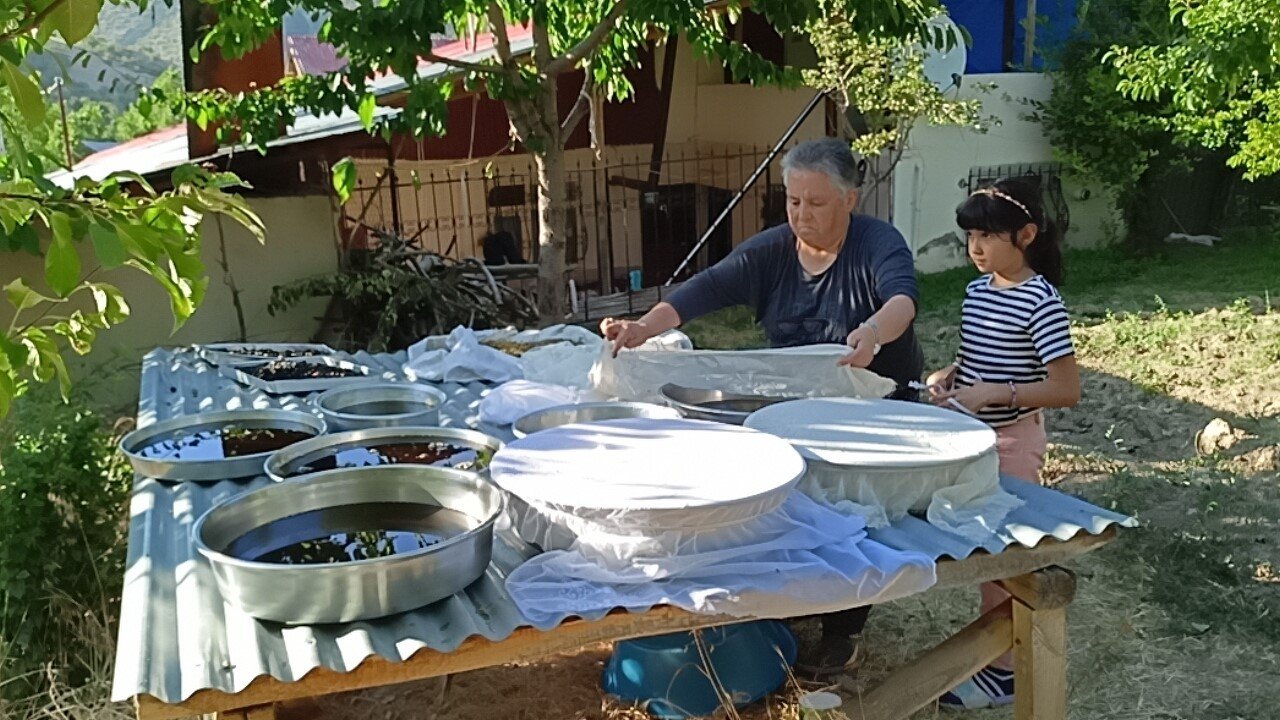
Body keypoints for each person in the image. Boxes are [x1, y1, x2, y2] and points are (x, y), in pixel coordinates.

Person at [600, 137, 925, 675]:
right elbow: (700, 292)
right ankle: (796, 599)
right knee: (792, 505)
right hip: (797, 408)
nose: (802, 214)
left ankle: (843, 629)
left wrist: (870, 333)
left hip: (876, 410)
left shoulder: (876, 243)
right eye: (793, 201)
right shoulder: (772, 250)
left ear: (850, 199)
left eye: (816, 203)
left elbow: (903, 301)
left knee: (857, 512)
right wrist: (641, 328)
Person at [925, 179, 1081, 709]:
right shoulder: (976, 291)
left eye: (988, 235)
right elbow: (977, 358)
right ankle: (995, 656)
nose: (975, 247)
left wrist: (1001, 392)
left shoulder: (1042, 301)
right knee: (982, 549)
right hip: (972, 436)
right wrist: (951, 376)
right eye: (970, 235)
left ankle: (1009, 669)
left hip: (1015, 441)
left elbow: (1066, 388)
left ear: (1027, 235)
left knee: (1007, 553)